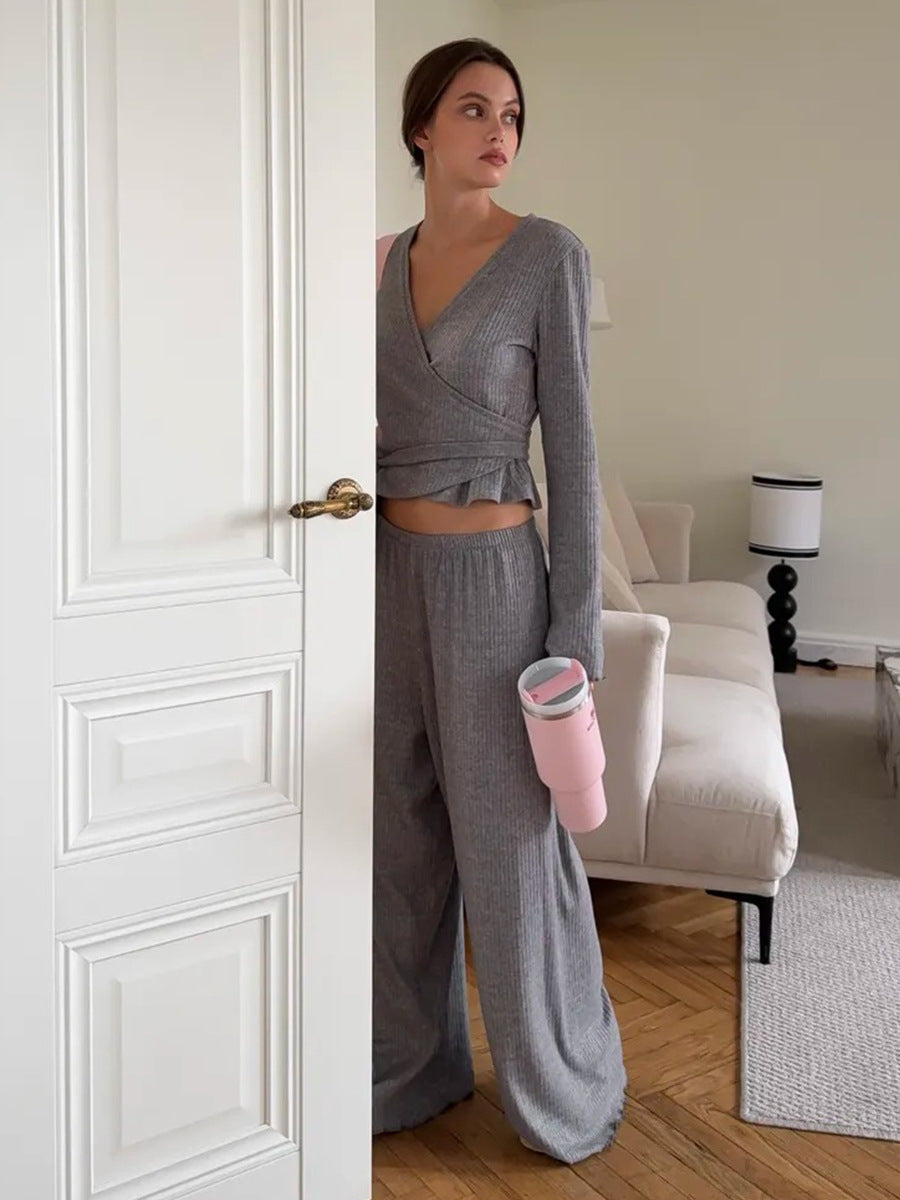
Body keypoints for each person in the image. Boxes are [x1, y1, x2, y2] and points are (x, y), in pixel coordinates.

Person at [373, 37, 626, 1164]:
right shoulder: (376, 263)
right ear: (421, 126)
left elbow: (572, 453)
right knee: (399, 845)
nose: (499, 132)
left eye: (513, 113)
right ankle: (409, 1068)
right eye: (473, 109)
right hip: (384, 579)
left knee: (511, 847)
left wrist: (577, 633)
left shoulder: (547, 258)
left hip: (495, 584)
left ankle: (553, 1081)